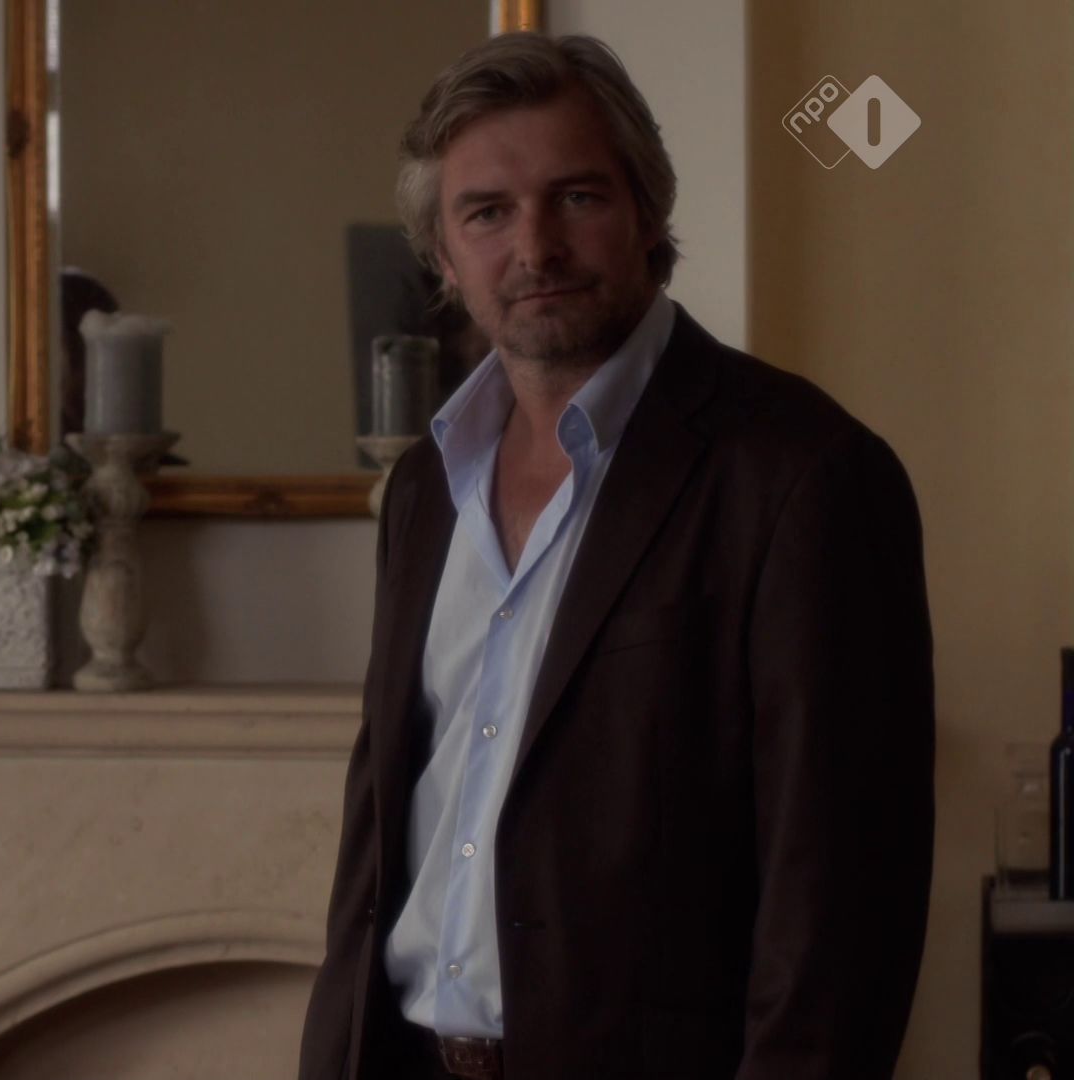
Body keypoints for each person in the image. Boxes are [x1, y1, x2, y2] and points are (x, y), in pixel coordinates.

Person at [298, 33, 933, 1080]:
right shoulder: (422, 488)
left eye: (577, 197)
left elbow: (840, 913)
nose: (535, 247)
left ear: (648, 211)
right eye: (486, 213)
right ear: (443, 257)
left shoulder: (804, 477)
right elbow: (379, 843)